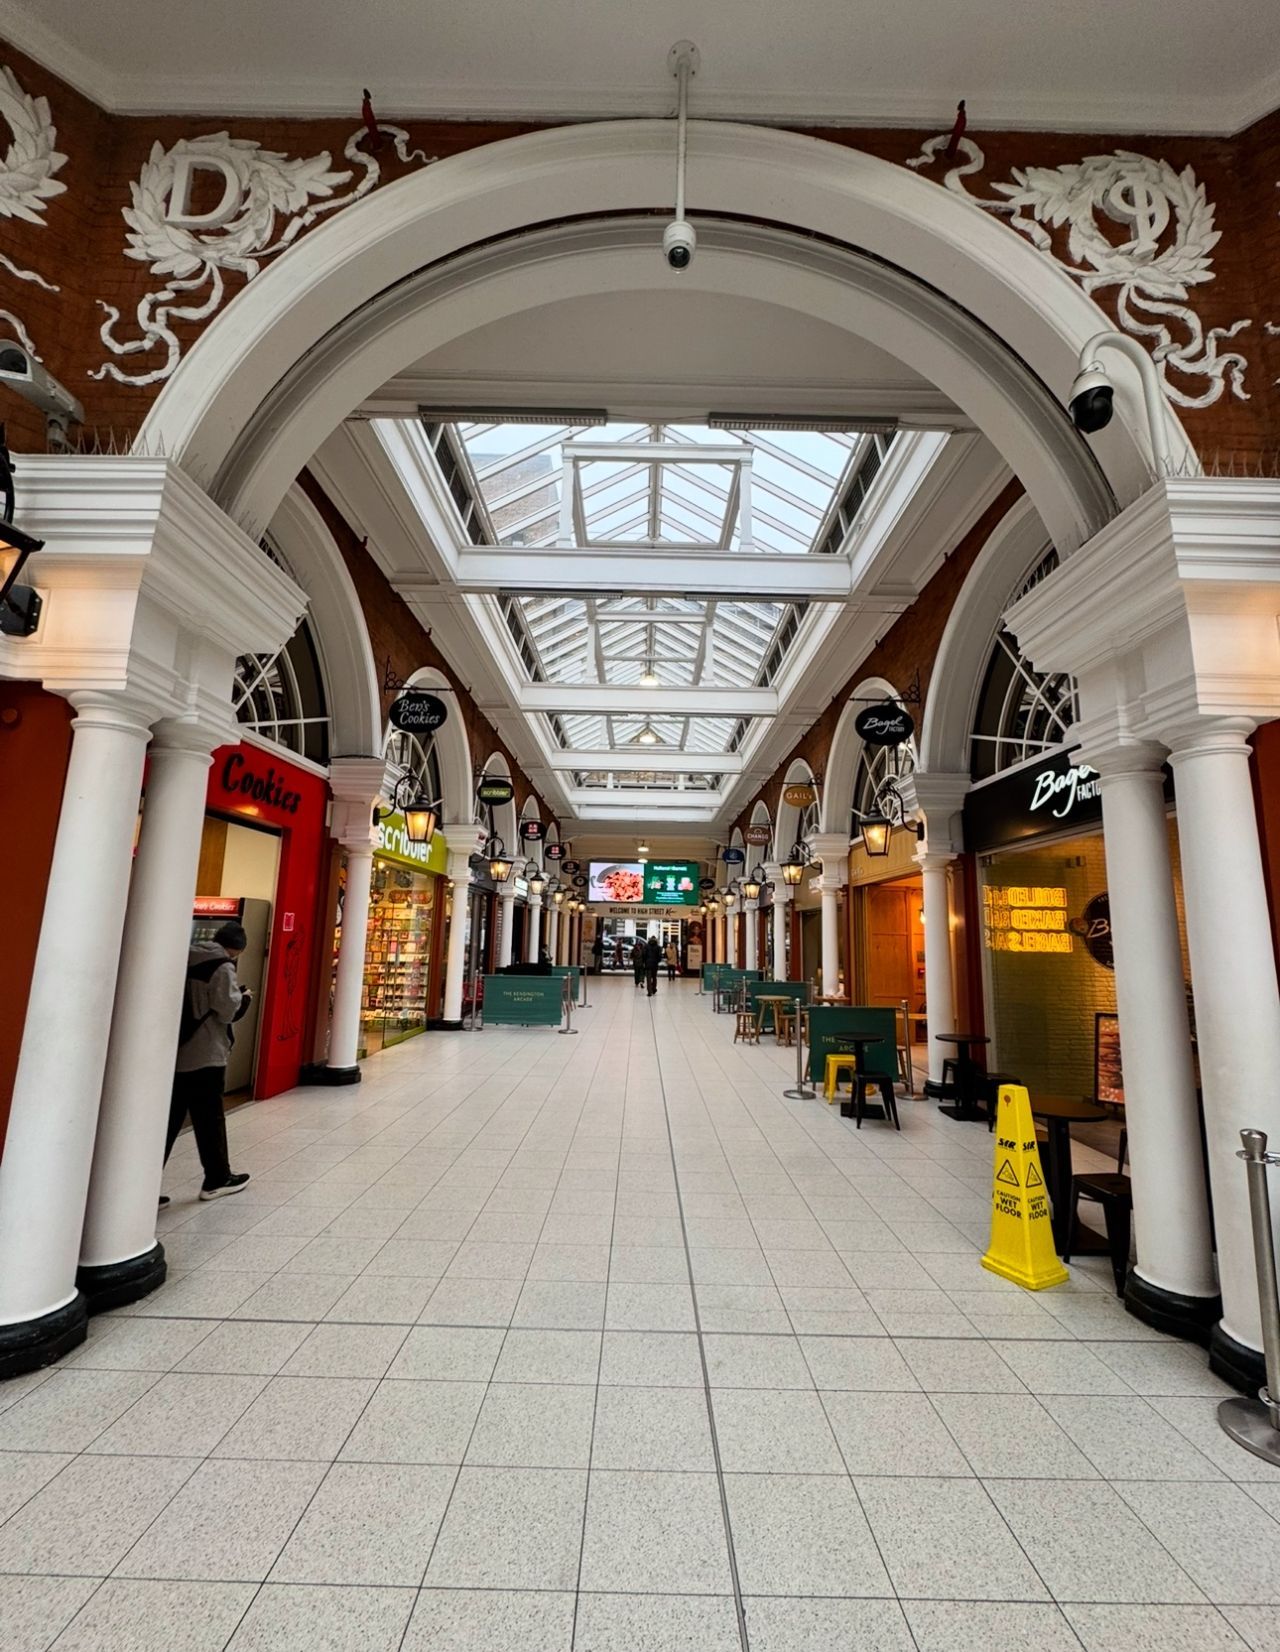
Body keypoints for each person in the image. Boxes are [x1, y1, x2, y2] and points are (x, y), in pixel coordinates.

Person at [162, 921, 253, 1201]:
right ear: (237, 949)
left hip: (175, 1050)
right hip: (205, 1052)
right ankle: (217, 1177)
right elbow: (227, 1010)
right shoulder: (222, 967)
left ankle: (143, 1187)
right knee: (210, 1118)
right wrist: (244, 999)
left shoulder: (185, 957)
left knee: (167, 1121)